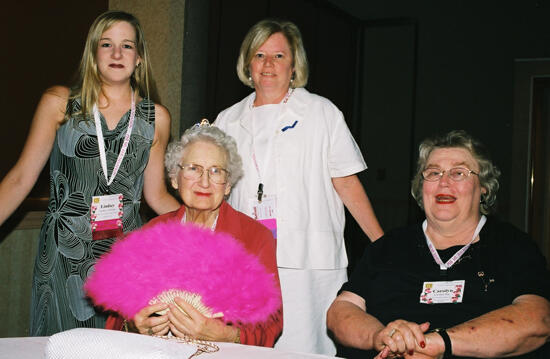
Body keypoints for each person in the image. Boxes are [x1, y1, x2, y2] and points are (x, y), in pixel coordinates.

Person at [0, 11, 179, 336]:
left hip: (125, 255)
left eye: (126, 46)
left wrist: (211, 228)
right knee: (58, 346)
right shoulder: (59, 103)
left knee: (121, 349)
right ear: (94, 52)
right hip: (62, 253)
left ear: (139, 58)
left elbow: (156, 195)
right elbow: (20, 179)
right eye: (107, 44)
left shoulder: (156, 118)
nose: (116, 54)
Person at [214, 18, 384, 354]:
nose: (268, 65)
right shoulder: (226, 120)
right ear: (248, 63)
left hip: (310, 260)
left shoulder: (322, 113)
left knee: (309, 348)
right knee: (251, 347)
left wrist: (382, 244)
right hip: (247, 259)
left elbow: (346, 182)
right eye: (260, 55)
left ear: (294, 65)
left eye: (278, 56)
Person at [326, 130, 550, 359]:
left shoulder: (513, 246)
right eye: (433, 172)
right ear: (421, 187)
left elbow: (537, 319)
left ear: (483, 187)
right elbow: (340, 312)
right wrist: (382, 336)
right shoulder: (388, 247)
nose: (444, 182)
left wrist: (436, 344)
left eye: (459, 172)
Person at [105, 121, 283, 347]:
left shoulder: (255, 238)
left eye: (216, 171)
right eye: (193, 169)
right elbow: (116, 315)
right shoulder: (151, 233)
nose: (205, 182)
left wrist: (226, 336)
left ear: (227, 185)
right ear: (173, 178)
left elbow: (271, 325)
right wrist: (133, 326)